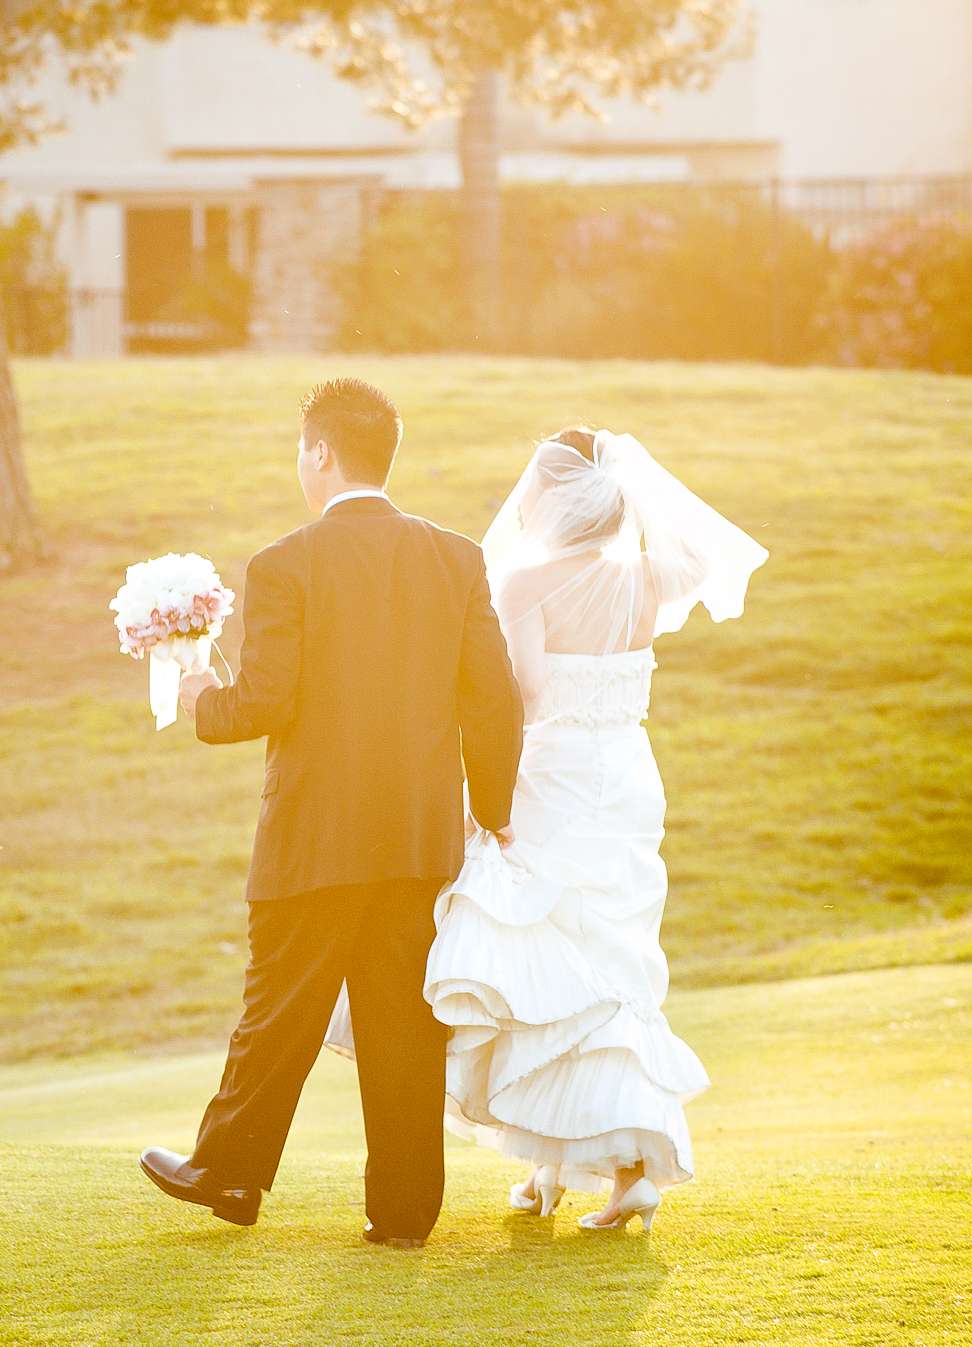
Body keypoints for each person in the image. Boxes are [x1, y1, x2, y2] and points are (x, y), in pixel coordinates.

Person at [328, 425, 767, 1234]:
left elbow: (524, 691)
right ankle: (583, 1166)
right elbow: (700, 555)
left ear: (553, 500)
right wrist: (638, 498)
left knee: (546, 964)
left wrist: (471, 782)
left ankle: (575, 1160)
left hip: (554, 775)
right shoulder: (645, 576)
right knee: (612, 959)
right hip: (627, 776)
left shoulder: (527, 582)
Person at [137, 378, 523, 1249]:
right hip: (420, 842)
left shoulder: (285, 564)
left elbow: (263, 702)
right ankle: (404, 1212)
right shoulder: (456, 558)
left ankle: (228, 1169)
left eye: (298, 450)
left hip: (312, 838)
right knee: (403, 1026)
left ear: (319, 453)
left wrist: (202, 696)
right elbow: (493, 701)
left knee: (278, 1010)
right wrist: (492, 810)